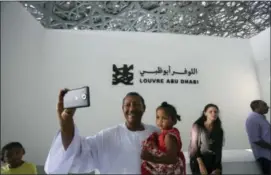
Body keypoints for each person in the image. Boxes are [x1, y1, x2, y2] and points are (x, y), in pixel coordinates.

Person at [44, 89, 159, 174]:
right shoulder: (107, 136)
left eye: (136, 104)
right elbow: (76, 152)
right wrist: (66, 121)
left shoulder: (156, 134)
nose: (132, 109)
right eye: (127, 105)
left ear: (144, 108)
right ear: (122, 109)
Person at [141, 101, 186, 175]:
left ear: (173, 121)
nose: (160, 121)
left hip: (170, 168)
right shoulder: (161, 133)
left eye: (164, 118)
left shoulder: (169, 136)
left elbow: (172, 158)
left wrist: (151, 158)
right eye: (158, 117)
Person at [188, 104, 224, 175]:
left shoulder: (219, 130)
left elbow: (218, 149)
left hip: (212, 160)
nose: (213, 113)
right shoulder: (197, 126)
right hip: (198, 159)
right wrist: (201, 165)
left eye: (215, 112)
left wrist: (217, 167)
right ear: (205, 113)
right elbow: (194, 147)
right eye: (210, 112)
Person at [245, 100, 271, 175]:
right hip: (264, 156)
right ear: (257, 107)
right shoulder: (252, 119)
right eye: (264, 105)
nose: (268, 107)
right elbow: (256, 140)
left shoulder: (261, 118)